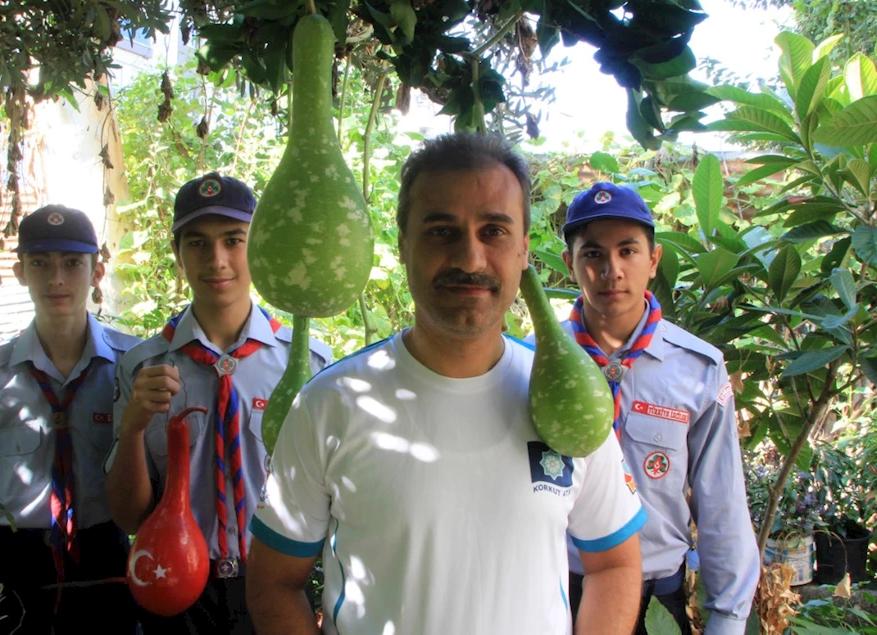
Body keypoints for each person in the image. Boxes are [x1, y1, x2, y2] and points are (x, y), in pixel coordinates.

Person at [246, 134, 647, 635]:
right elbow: (274, 581)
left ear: (524, 250)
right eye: (441, 231)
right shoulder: (330, 404)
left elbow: (615, 562)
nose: (470, 259)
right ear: (403, 244)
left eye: (494, 231)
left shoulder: (573, 404)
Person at [528, 182, 759, 634]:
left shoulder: (698, 369)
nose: (611, 270)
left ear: (653, 261)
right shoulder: (527, 362)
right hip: (552, 593)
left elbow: (721, 500)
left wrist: (728, 619)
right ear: (568, 265)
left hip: (657, 598)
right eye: (592, 254)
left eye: (628, 251)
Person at [104, 172, 331, 633]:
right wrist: (132, 428)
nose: (217, 260)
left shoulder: (306, 362)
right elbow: (128, 515)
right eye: (197, 243)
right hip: (177, 586)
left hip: (275, 586)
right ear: (177, 253)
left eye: (234, 240)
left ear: (260, 247)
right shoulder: (142, 367)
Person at [0, 204, 140, 634]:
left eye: (73, 263)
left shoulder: (132, 363)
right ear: (21, 271)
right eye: (40, 263)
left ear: (97, 272)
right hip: (15, 557)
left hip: (103, 553)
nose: (57, 279)